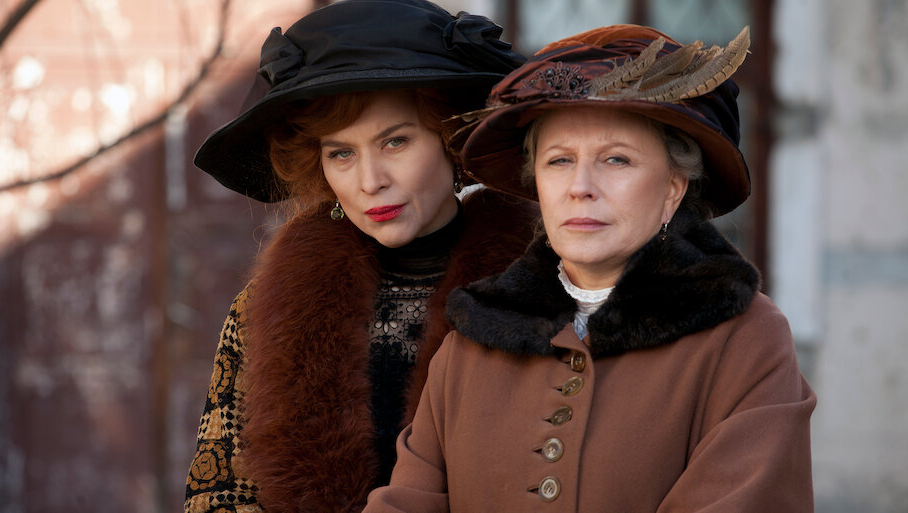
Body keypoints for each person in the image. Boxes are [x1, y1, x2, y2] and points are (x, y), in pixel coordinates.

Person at [364, 24, 816, 512]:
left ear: (673, 187)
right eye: (559, 161)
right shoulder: (470, 344)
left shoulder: (744, 340)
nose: (580, 187)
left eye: (616, 160)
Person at [183, 1, 537, 512]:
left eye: (395, 142)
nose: (370, 181)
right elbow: (216, 495)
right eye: (341, 153)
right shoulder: (266, 309)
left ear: (451, 139)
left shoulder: (546, 290)